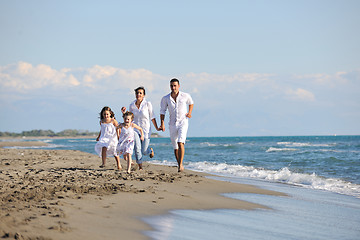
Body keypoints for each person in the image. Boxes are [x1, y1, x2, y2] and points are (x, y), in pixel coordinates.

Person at [159, 78, 194, 172]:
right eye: (171, 86)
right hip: (172, 124)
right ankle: (179, 164)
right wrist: (162, 123)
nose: (173, 87)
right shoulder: (166, 98)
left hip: (183, 122)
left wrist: (189, 112)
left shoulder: (185, 95)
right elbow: (162, 111)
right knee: (175, 146)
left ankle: (181, 164)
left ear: (179, 86)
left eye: (175, 85)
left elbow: (191, 103)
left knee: (180, 142)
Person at [121, 87, 160, 170]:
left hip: (146, 130)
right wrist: (124, 112)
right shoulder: (132, 105)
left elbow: (152, 117)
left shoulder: (147, 104)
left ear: (144, 95)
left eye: (140, 93)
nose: (138, 94)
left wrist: (157, 127)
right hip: (135, 129)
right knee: (137, 149)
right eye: (137, 93)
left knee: (144, 151)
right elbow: (129, 117)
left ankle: (150, 151)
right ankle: (140, 167)